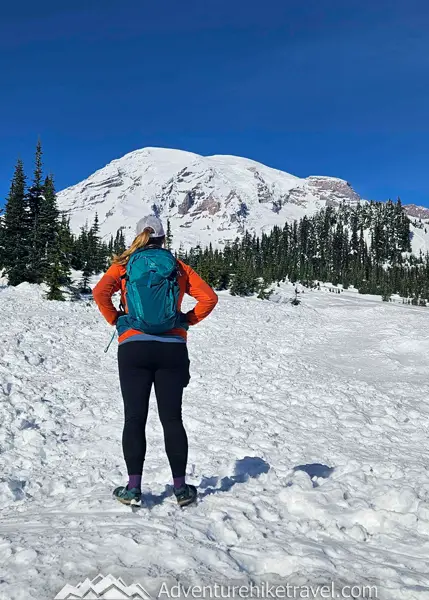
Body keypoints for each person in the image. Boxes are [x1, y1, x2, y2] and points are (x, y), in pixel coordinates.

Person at [93, 215, 218, 507]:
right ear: (164, 238)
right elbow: (209, 298)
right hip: (171, 349)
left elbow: (99, 292)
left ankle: (133, 489)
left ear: (139, 237)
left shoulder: (124, 265)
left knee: (134, 418)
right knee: (172, 419)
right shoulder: (178, 267)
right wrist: (186, 321)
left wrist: (117, 320)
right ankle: (181, 490)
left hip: (133, 347)